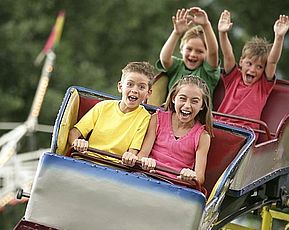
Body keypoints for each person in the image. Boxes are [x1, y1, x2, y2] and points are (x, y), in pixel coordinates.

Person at [123, 76, 213, 185]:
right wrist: (145, 161)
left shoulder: (202, 136)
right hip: (148, 176)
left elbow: (199, 178)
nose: (187, 106)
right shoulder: (157, 119)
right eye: (182, 99)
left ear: (202, 105)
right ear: (174, 98)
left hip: (175, 185)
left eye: (194, 101)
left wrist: (189, 176)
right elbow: (142, 154)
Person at [216, 10, 289, 135]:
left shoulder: (263, 86)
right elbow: (228, 55)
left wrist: (279, 37)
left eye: (259, 67)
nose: (253, 70)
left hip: (245, 134)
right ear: (241, 62)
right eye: (249, 64)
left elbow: (272, 62)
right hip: (221, 128)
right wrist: (222, 33)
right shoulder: (233, 77)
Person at [68, 61, 154, 160]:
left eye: (141, 87)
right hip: (87, 159)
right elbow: (73, 133)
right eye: (130, 84)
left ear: (148, 93)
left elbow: (132, 151)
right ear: (120, 87)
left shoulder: (145, 118)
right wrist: (77, 142)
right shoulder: (103, 106)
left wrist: (130, 157)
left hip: (113, 167)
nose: (134, 90)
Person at [155, 7, 220, 98]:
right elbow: (164, 59)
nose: (193, 54)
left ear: (206, 54)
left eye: (199, 51)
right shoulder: (177, 66)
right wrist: (176, 33)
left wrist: (206, 25)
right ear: (181, 49)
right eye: (189, 49)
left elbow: (213, 52)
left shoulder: (207, 71)